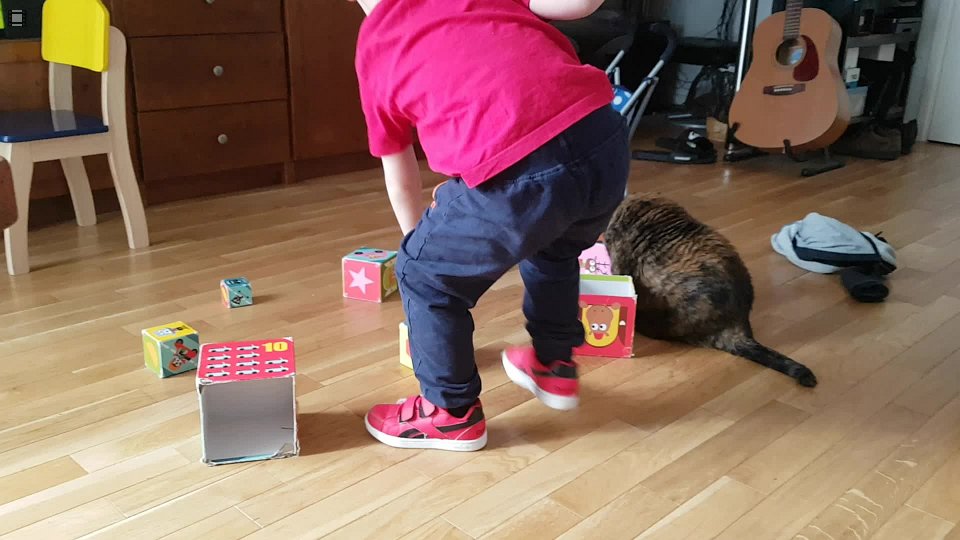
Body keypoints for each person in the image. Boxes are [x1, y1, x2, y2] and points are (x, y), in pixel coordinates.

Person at [352, 0, 630, 451]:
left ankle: (449, 413)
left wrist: (418, 247)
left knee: (422, 275)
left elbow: (398, 168)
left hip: (521, 168)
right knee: (554, 247)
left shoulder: (375, 46)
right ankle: (554, 363)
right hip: (603, 141)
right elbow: (577, 5)